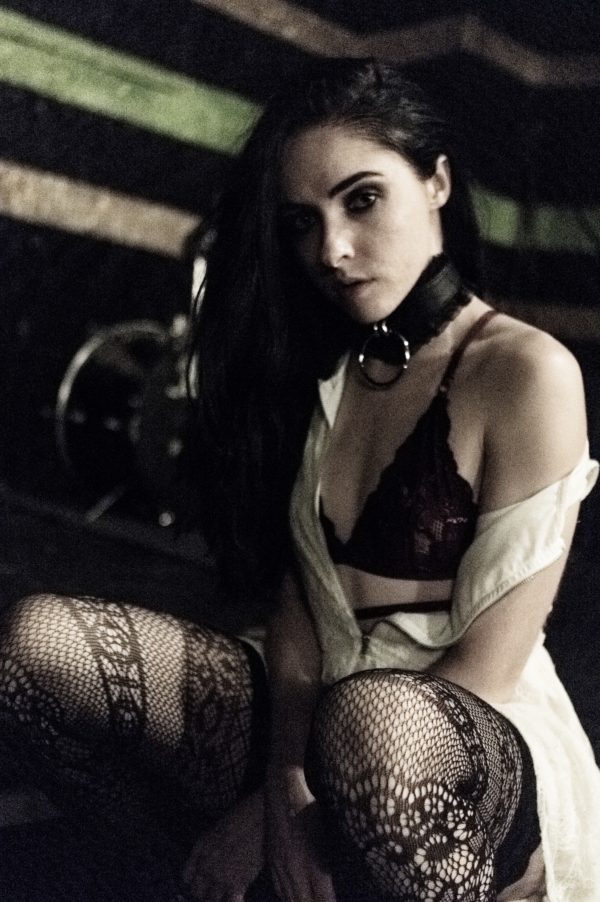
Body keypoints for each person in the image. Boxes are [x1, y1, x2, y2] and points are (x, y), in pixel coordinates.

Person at [0, 57, 599, 902]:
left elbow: (489, 666)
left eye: (363, 199)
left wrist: (268, 815)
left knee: (376, 726)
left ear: (436, 181)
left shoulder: (527, 371)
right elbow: (299, 607)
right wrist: (283, 780)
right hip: (310, 708)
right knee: (37, 646)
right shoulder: (334, 370)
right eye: (301, 222)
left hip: (455, 740)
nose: (333, 250)